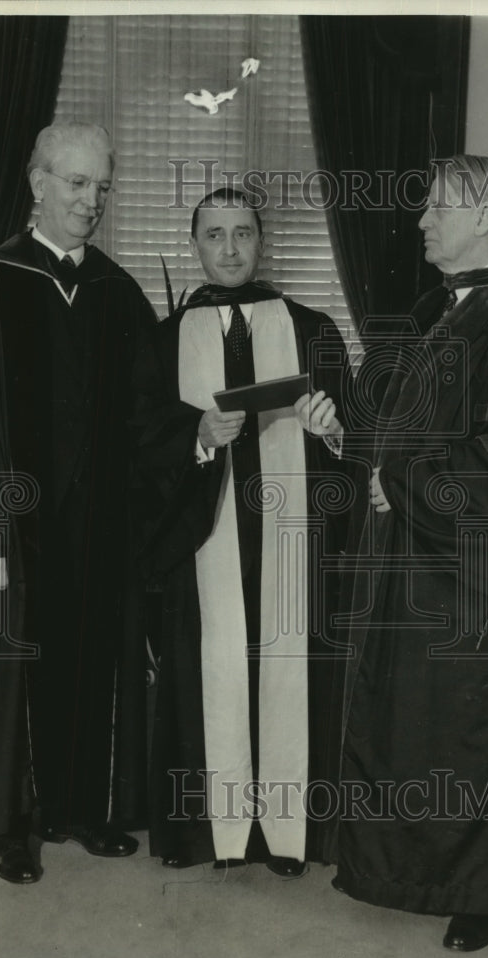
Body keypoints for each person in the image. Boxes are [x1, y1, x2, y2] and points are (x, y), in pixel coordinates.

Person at [335, 154, 488, 950]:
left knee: (481, 732)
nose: (419, 221)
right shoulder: (428, 310)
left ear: (485, 216)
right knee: (416, 723)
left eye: (436, 207)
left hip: (486, 568)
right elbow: (393, 431)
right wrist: (341, 428)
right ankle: (411, 871)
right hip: (414, 557)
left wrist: (408, 482)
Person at [0, 122, 157, 883]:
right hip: (13, 526)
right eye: (75, 183)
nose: (90, 200)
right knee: (12, 662)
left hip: (96, 528)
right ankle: (11, 823)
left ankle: (77, 805)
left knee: (88, 660)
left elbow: (147, 414)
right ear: (37, 184)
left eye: (101, 186)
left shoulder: (117, 292)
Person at [130, 187, 350, 876]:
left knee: (287, 668)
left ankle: (285, 835)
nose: (229, 248)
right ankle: (209, 833)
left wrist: (333, 430)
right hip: (202, 532)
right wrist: (194, 435)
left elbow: (360, 433)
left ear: (264, 242)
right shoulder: (163, 342)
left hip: (288, 539)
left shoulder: (313, 329)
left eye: (243, 232)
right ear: (195, 244)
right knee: (209, 666)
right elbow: (137, 441)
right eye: (215, 234)